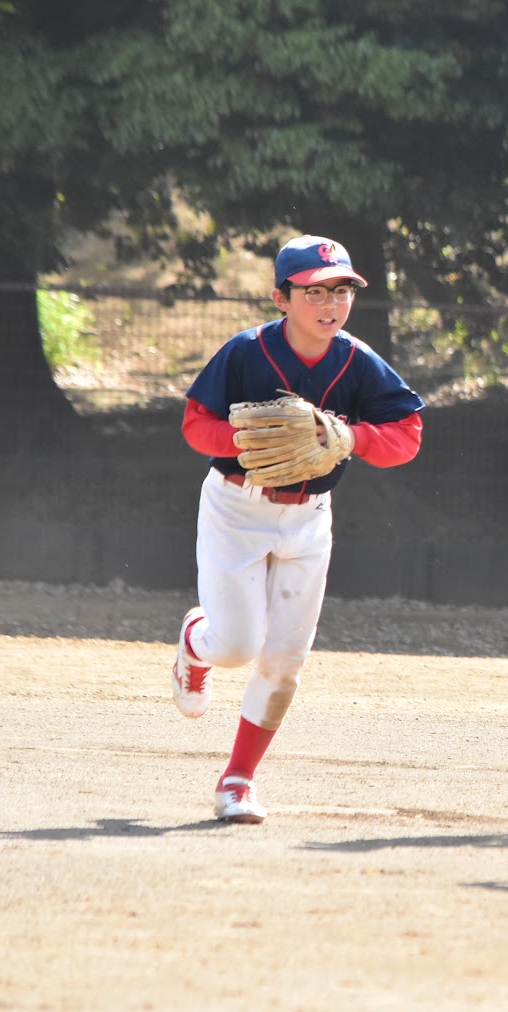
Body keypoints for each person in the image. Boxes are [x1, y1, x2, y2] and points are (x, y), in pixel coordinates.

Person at [170, 234, 425, 824]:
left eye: (341, 290)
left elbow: (407, 435)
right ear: (281, 298)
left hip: (309, 517)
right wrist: (245, 438)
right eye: (314, 291)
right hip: (238, 508)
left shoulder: (357, 360)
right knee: (238, 645)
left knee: (285, 659)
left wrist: (352, 437)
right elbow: (195, 423)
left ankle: (238, 780)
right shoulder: (247, 351)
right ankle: (196, 642)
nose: (330, 303)